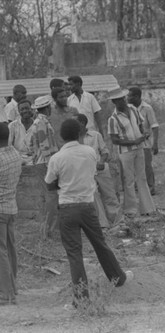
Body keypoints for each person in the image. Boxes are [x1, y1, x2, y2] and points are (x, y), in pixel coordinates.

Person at [44, 118, 130, 308]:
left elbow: (49, 184)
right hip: (88, 205)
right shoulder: (90, 152)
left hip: (67, 207)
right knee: (100, 244)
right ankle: (118, 277)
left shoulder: (57, 158)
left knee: (74, 253)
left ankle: (82, 299)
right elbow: (91, 172)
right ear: (80, 134)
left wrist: (62, 184)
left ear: (61, 136)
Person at [107, 87, 156, 217]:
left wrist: (143, 134)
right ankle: (131, 210)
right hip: (125, 152)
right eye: (119, 100)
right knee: (128, 180)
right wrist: (134, 141)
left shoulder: (133, 109)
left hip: (139, 148)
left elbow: (140, 124)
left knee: (142, 178)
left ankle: (147, 208)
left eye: (123, 98)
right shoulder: (113, 119)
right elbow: (115, 140)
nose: (123, 101)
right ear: (114, 102)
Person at [75, 114, 122, 228]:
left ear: (82, 123)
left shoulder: (95, 135)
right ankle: (103, 224)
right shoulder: (74, 139)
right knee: (94, 196)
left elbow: (104, 151)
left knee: (109, 195)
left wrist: (101, 162)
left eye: (75, 122)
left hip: (101, 169)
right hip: (86, 172)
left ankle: (118, 222)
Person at [29, 95, 59, 238]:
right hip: (45, 163)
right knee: (52, 196)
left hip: (41, 162)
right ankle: (48, 231)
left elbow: (31, 144)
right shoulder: (41, 122)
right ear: (47, 108)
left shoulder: (39, 122)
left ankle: (48, 230)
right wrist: (51, 166)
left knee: (49, 196)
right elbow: (44, 145)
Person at [0, 123, 22, 306]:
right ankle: (13, 287)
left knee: (1, 252)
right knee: (10, 247)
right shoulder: (15, 154)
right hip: (11, 207)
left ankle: (6, 294)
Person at [127, 87, 160, 195]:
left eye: (130, 95)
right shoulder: (128, 108)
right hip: (131, 143)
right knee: (134, 166)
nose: (128, 97)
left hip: (145, 143)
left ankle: (151, 187)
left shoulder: (147, 108)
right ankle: (138, 187)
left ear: (137, 97)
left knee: (146, 166)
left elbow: (154, 126)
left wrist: (155, 143)